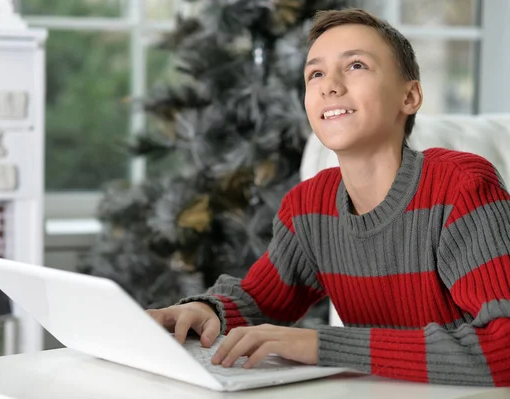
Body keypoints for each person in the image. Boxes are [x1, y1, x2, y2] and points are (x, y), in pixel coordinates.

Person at [146, 8, 510, 386]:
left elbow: (505, 346)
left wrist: (321, 344)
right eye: (315, 73)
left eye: (356, 65)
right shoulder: (308, 206)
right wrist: (208, 311)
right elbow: (259, 299)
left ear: (410, 95)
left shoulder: (462, 187)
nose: (329, 85)